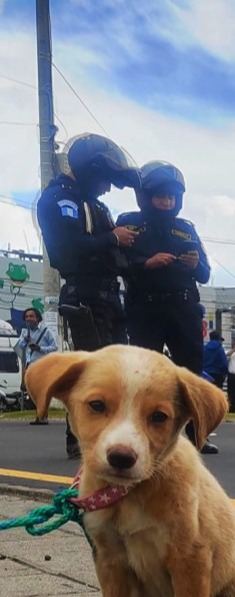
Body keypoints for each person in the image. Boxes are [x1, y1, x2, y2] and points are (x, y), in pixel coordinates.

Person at [36, 132, 140, 457]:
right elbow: (67, 250)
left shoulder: (95, 204)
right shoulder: (57, 199)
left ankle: (104, 434)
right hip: (84, 294)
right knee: (94, 371)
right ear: (89, 170)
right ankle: (80, 439)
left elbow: (113, 251)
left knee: (119, 371)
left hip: (111, 296)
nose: (107, 187)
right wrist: (113, 238)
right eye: (104, 180)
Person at [115, 160, 217, 453]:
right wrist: (146, 263)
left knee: (192, 373)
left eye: (172, 197)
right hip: (144, 312)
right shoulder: (129, 222)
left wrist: (195, 264)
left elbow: (205, 274)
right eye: (161, 195)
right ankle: (142, 433)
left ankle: (197, 435)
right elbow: (115, 262)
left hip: (183, 310)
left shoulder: (186, 229)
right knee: (144, 376)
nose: (167, 201)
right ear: (146, 196)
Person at [16, 307, 58, 424]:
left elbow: (54, 347)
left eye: (31, 316)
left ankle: (42, 417)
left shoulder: (45, 331)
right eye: (27, 317)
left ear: (37, 318)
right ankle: (40, 414)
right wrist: (25, 340)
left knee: (41, 391)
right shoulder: (24, 331)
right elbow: (21, 346)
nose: (28, 319)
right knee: (32, 392)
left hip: (42, 366)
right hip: (30, 365)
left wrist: (40, 348)